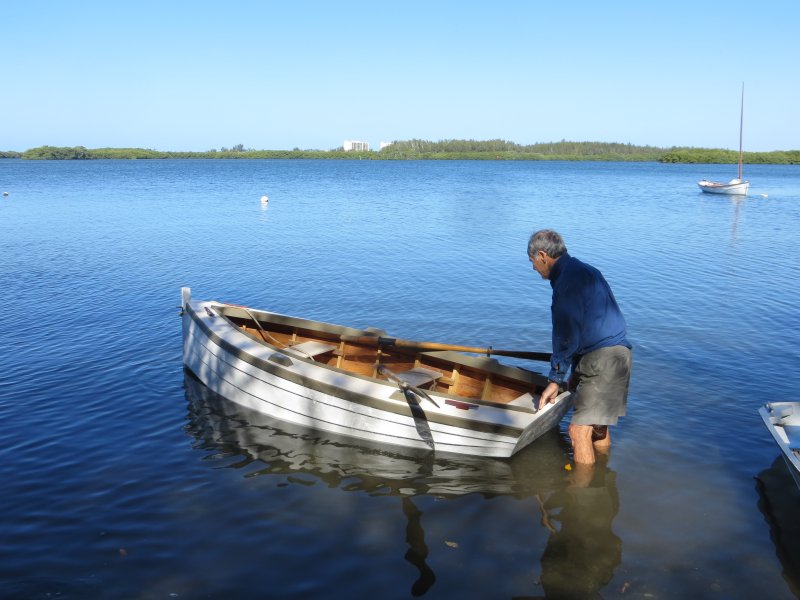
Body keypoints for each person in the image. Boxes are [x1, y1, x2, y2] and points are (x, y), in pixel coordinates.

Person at [527, 229, 632, 465]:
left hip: (601, 360)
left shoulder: (567, 282)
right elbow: (590, 326)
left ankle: (580, 496)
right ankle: (602, 479)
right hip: (620, 355)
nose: (533, 268)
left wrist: (555, 378)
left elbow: (567, 334)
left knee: (577, 432)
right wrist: (575, 372)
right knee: (598, 428)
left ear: (543, 255)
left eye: (532, 261)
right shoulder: (586, 271)